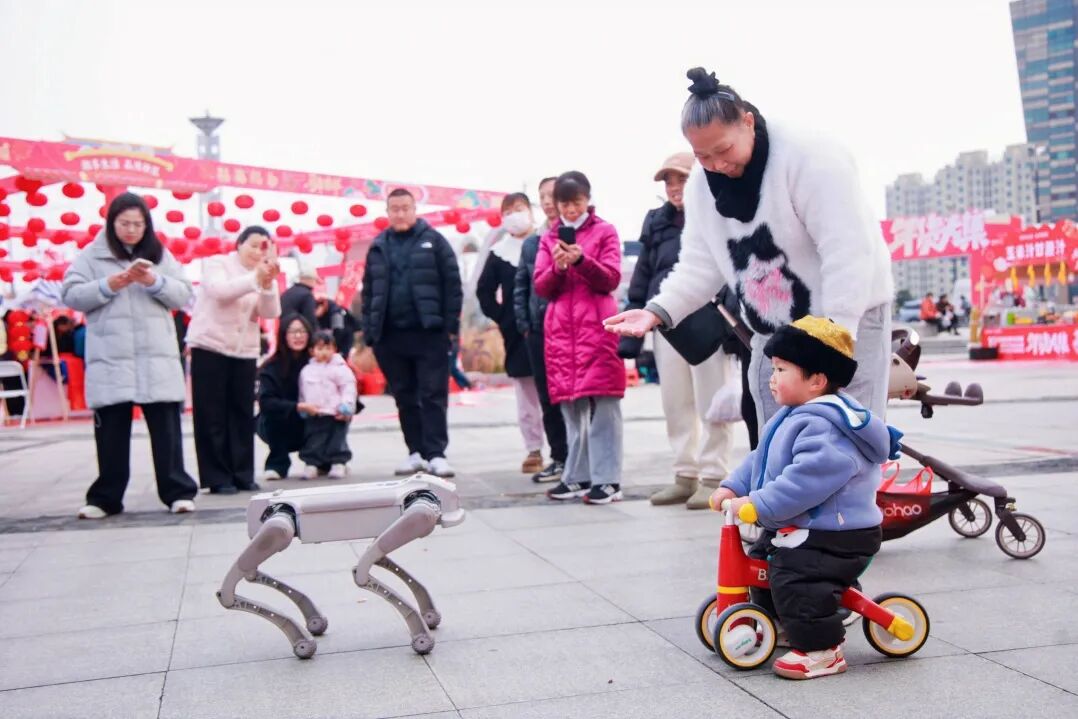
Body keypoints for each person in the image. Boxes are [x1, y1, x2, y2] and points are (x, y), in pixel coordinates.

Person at [605, 68, 893, 427]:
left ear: (747, 122)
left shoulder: (809, 157)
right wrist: (657, 311)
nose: (717, 165)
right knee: (778, 437)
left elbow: (847, 252)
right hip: (775, 329)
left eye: (723, 149)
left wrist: (836, 337)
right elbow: (699, 266)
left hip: (847, 316)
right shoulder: (701, 187)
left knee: (848, 435)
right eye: (703, 156)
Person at [710, 316, 893, 680]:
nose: (772, 377)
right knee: (761, 561)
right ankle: (780, 622)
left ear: (816, 381)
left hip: (838, 535)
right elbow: (760, 459)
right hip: (806, 526)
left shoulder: (827, 426)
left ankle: (822, 649)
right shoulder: (792, 415)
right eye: (773, 368)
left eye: (781, 369)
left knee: (797, 577)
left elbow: (807, 480)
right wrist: (733, 487)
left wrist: (760, 504)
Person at [61, 192, 198, 518]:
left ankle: (177, 492)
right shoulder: (91, 255)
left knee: (166, 430)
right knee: (110, 431)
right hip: (112, 357)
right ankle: (105, 498)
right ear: (112, 223)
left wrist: (153, 281)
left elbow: (183, 294)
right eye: (125, 223)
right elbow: (71, 294)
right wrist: (111, 284)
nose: (132, 230)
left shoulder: (159, 253)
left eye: (138, 224)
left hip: (156, 357)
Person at [625, 152, 734, 509]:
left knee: (712, 401)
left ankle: (714, 475)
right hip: (666, 321)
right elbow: (643, 272)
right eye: (669, 181)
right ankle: (685, 474)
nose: (674, 187)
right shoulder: (656, 222)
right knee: (675, 401)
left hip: (707, 321)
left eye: (681, 179)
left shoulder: (717, 213)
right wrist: (636, 317)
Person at [534, 171, 626, 504]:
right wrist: (558, 268)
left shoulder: (605, 231)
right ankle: (578, 476)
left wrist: (582, 260)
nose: (571, 210)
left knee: (605, 404)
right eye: (565, 204)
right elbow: (541, 286)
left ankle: (608, 479)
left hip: (597, 328)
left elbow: (611, 278)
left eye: (576, 202)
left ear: (587, 199)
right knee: (571, 407)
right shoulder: (549, 237)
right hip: (562, 333)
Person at [360, 188, 463, 478]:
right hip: (390, 335)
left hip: (429, 333)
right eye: (395, 209)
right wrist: (370, 334)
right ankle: (415, 452)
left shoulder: (434, 241)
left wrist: (450, 328)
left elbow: (453, 285)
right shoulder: (378, 246)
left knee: (433, 394)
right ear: (387, 212)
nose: (400, 213)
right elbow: (368, 293)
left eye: (405, 208)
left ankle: (436, 454)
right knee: (404, 396)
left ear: (415, 209)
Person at [185, 225, 281, 495]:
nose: (257, 251)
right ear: (239, 244)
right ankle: (217, 476)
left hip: (244, 351)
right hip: (210, 347)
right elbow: (220, 292)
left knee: (241, 414)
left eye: (263, 246)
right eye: (253, 244)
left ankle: (242, 473)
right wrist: (255, 278)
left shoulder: (261, 273)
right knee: (211, 414)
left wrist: (268, 284)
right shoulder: (218, 264)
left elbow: (270, 312)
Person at [477, 192, 545, 475]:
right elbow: (484, 292)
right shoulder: (499, 253)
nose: (514, 215)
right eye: (507, 212)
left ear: (530, 211)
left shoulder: (545, 242)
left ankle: (565, 449)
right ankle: (534, 448)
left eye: (518, 209)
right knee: (526, 394)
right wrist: (504, 317)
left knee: (555, 390)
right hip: (517, 333)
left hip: (549, 327)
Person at [514, 178, 569, 484]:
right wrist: (524, 324)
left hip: (570, 329)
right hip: (538, 330)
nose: (548, 202)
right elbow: (521, 286)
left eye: (553, 195)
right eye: (543, 197)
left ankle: (579, 458)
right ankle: (559, 456)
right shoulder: (532, 243)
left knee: (574, 396)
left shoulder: (576, 235)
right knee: (547, 396)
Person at [256, 314, 313, 480]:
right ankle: (277, 464)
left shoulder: (319, 362)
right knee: (273, 415)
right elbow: (266, 402)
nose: (298, 336)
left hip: (311, 420)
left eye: (302, 331)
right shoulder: (271, 367)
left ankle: (323, 459)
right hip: (281, 423)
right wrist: (296, 407)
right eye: (293, 331)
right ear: (283, 335)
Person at [298, 329, 357, 479]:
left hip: (336, 412)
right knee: (313, 440)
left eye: (328, 348)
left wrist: (347, 405)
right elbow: (303, 390)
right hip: (315, 412)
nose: (324, 352)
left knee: (337, 439)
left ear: (334, 349)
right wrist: (303, 406)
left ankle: (338, 463)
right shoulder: (306, 371)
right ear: (312, 351)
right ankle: (312, 464)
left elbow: (348, 388)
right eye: (319, 348)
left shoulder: (340, 369)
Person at [315, 294, 361, 359]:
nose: (314, 313)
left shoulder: (336, 312)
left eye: (316, 309)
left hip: (344, 339)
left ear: (323, 305)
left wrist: (332, 346)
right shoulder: (322, 314)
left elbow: (339, 331)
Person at [281, 261, 319, 327]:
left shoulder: (287, 292)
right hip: (298, 330)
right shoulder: (307, 295)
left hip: (285, 329)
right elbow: (310, 321)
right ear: (311, 279)